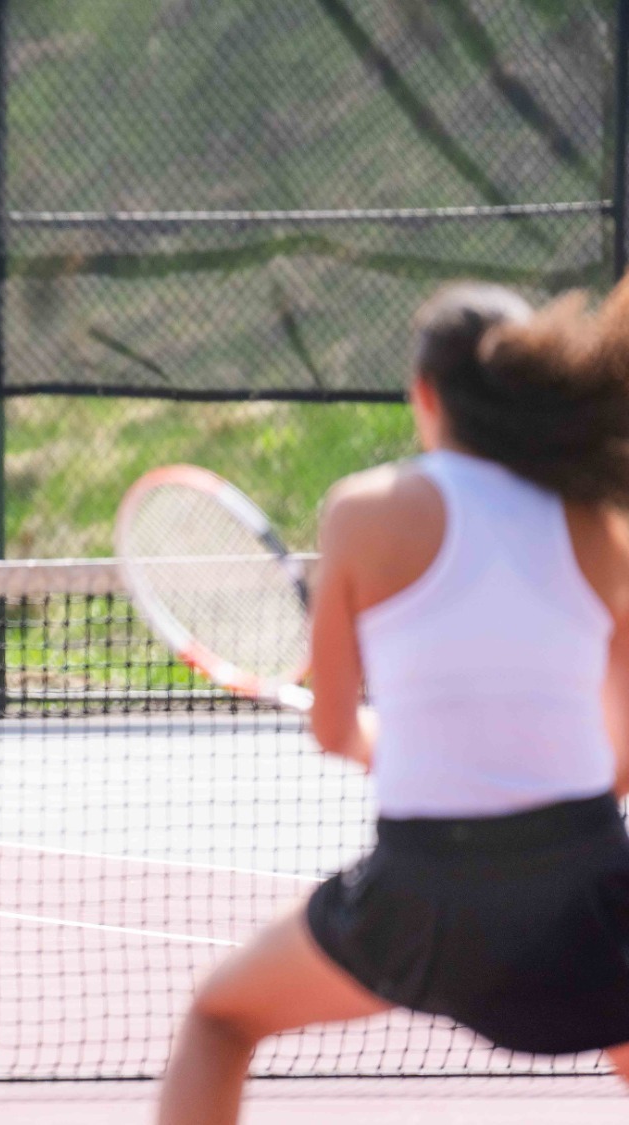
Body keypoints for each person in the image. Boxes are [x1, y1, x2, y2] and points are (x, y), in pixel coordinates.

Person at [157, 280, 629, 1123]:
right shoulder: (599, 525)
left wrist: (388, 742)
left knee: (218, 1018)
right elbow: (618, 760)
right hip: (588, 884)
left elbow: (336, 728)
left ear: (424, 395)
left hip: (424, 894)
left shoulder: (366, 511)